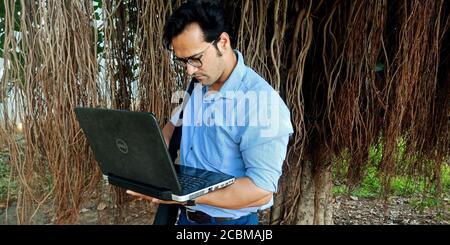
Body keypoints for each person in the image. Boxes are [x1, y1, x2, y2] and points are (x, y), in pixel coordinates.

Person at [127, 0, 293, 225]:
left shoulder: (262, 105)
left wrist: (184, 196)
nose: (190, 69)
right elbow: (172, 128)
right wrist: (146, 161)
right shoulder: (198, 83)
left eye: (196, 58)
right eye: (184, 61)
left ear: (222, 42)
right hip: (186, 219)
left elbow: (261, 190)